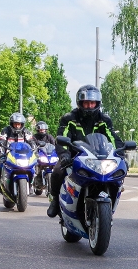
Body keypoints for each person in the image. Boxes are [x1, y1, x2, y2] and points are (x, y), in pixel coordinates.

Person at [46, 85, 123, 217]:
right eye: (86, 103)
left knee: (116, 174)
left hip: (99, 156)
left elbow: (113, 138)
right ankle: (54, 199)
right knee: (58, 171)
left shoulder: (104, 120)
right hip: (74, 155)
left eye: (92, 102)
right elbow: (61, 137)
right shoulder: (69, 118)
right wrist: (64, 155)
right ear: (80, 103)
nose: (89, 106)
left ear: (97, 103)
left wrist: (120, 153)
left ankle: (110, 201)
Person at [0, 112, 34, 193]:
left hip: (23, 155)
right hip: (9, 154)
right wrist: (1, 153)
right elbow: (1, 142)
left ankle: (31, 184)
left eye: (19, 124)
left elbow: (31, 142)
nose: (17, 126)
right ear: (12, 124)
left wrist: (34, 151)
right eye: (15, 124)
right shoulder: (5, 131)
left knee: (32, 167)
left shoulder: (26, 131)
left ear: (22, 124)